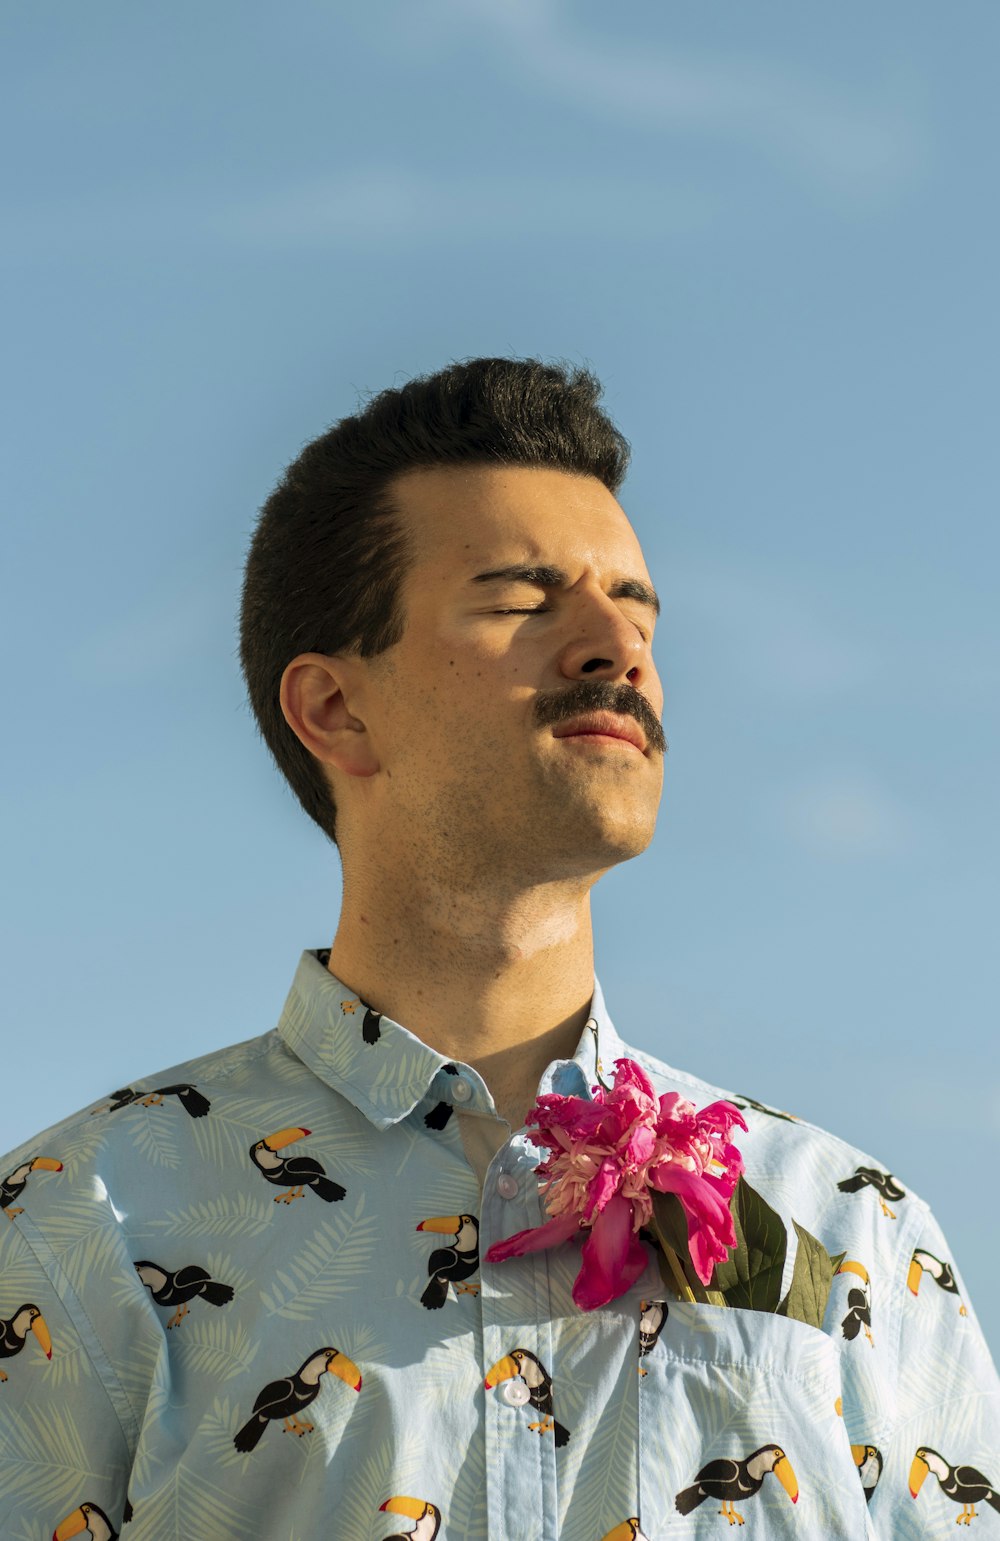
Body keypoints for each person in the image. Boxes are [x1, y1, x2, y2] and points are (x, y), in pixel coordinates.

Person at [1, 357, 996, 1541]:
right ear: (334, 709)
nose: (615, 645)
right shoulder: (76, 1227)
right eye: (523, 598)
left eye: (635, 605)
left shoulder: (854, 1228)